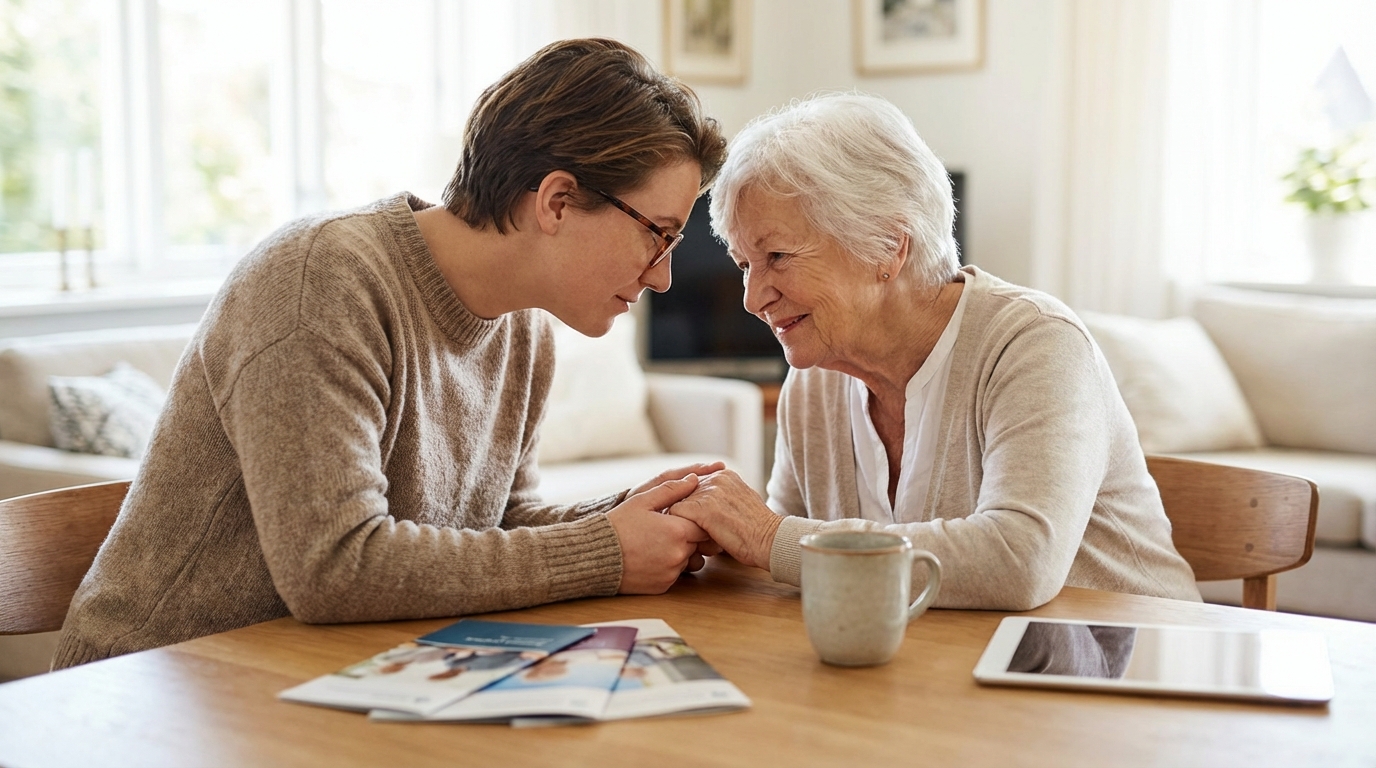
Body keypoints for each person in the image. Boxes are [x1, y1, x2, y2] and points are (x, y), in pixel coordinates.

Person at [53, 38, 729, 669]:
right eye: (658, 234)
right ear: (556, 202)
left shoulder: (525, 331)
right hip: (157, 682)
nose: (664, 276)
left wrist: (641, 514)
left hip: (325, 672)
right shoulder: (321, 282)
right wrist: (603, 551)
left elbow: (505, 526)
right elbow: (333, 567)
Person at [667, 93, 1201, 610]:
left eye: (778, 256)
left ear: (888, 247)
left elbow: (1020, 559)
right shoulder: (815, 380)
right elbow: (788, 559)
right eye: (744, 264)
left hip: (1134, 656)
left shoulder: (1035, 344)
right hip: (954, 663)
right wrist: (713, 532)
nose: (752, 298)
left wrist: (767, 537)